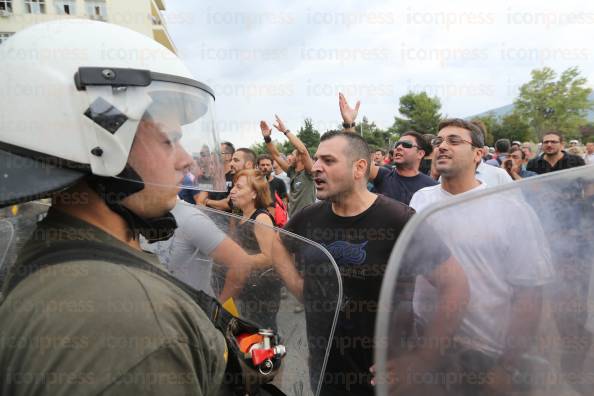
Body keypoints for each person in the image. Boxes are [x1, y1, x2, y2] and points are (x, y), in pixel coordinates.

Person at [0, 20, 229, 395]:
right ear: (100, 142)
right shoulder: (133, 327)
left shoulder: (57, 253)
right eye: (170, 140)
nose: (187, 160)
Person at [272, 130, 469, 395]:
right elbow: (278, 245)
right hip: (326, 370)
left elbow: (455, 285)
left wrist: (423, 359)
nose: (316, 167)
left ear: (359, 167)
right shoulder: (310, 217)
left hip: (382, 377)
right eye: (316, 159)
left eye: (328, 161)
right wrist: (301, 288)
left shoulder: (398, 219)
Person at [409, 118, 554, 394]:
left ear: (479, 154)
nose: (441, 147)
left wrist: (507, 366)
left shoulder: (511, 209)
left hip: (483, 352)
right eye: (438, 142)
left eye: (454, 141)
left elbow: (530, 295)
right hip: (426, 341)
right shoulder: (420, 200)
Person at [143, 199, 254, 302]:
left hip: (191, 314)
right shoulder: (139, 213)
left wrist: (218, 310)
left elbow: (241, 263)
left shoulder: (191, 218)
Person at [229, 169, 279, 328]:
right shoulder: (241, 214)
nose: (232, 190)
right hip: (247, 285)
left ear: (254, 194)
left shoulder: (261, 218)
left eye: (239, 187)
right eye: (233, 186)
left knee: (263, 332)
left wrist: (237, 260)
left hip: (262, 292)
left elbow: (269, 257)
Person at [261, 115, 315, 217]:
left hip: (307, 220)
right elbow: (276, 155)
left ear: (300, 157)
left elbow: (303, 150)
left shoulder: (309, 172)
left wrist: (285, 130)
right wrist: (267, 138)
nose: (289, 158)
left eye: (293, 155)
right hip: (293, 219)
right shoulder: (292, 171)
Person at [198, 147, 256, 212]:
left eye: (236, 160)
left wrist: (206, 201)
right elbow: (200, 201)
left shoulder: (257, 182)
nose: (231, 163)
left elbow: (228, 204)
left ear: (249, 164)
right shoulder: (237, 179)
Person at [257, 154, 288, 220]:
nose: (265, 167)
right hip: (256, 218)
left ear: (272, 166)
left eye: (268, 165)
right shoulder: (254, 182)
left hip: (274, 219)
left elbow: (284, 202)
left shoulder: (279, 182)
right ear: (258, 166)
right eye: (262, 165)